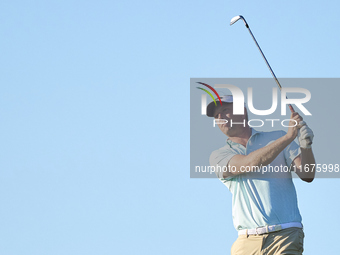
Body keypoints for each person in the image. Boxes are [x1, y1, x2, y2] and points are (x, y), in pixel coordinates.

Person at [208, 95, 315, 255]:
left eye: (225, 111)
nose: (220, 117)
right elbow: (249, 163)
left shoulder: (277, 137)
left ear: (242, 111)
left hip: (285, 237)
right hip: (246, 243)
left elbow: (307, 174)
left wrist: (306, 146)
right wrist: (288, 137)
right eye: (216, 116)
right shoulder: (219, 155)